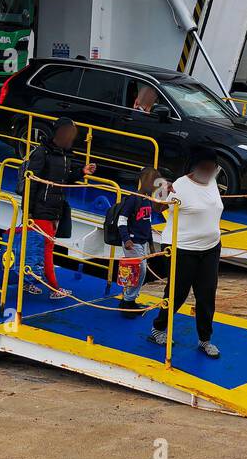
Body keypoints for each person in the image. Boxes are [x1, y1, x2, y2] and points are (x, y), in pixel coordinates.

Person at [150, 150, 224, 358]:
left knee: (207, 294)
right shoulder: (180, 185)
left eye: (213, 169)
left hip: (210, 248)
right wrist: (161, 188)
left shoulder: (212, 182)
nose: (210, 172)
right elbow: (156, 206)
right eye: (206, 169)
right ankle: (158, 328)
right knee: (177, 293)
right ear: (195, 168)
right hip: (182, 249)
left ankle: (205, 339)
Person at [21, 118, 96, 299]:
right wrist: (28, 211)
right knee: (45, 249)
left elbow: (64, 180)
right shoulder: (42, 153)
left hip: (54, 209)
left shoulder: (64, 155)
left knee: (36, 248)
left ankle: (28, 282)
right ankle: (54, 288)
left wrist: (81, 172)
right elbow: (30, 183)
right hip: (41, 210)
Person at [114, 167, 161, 316]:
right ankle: (128, 302)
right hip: (132, 242)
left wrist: (151, 244)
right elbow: (122, 221)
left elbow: (147, 223)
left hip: (142, 242)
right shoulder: (133, 199)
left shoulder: (147, 200)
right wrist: (126, 239)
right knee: (138, 272)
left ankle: (129, 298)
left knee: (140, 272)